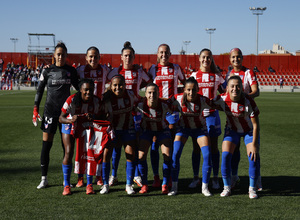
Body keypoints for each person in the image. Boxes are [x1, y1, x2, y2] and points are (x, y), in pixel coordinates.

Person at [33, 42, 79, 189]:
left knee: (66, 146)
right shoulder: (47, 71)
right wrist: (35, 108)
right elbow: (39, 91)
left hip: (65, 114)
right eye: (58, 54)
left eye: (63, 54)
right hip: (50, 113)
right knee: (47, 145)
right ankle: (44, 178)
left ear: (66, 56)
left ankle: (67, 180)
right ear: (54, 55)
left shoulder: (71, 71)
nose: (60, 56)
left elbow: (79, 89)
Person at [107, 42, 151, 188]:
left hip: (135, 112)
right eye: (125, 55)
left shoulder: (139, 72)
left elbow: (149, 82)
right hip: (119, 112)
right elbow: (107, 85)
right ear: (121, 57)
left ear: (134, 57)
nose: (127, 58)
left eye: (130, 56)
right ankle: (114, 175)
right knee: (116, 146)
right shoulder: (114, 72)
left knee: (135, 144)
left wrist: (138, 93)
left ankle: (136, 175)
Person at [59, 78, 110, 195]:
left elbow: (102, 117)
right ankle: (66, 185)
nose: (88, 93)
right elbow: (61, 118)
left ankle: (89, 184)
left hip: (88, 127)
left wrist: (96, 117)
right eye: (86, 90)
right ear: (80, 90)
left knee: (90, 154)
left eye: (91, 90)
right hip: (70, 125)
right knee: (69, 152)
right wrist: (71, 120)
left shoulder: (97, 101)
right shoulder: (71, 99)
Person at [213, 75, 260, 199]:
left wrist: (254, 145)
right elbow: (208, 103)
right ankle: (227, 187)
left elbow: (256, 125)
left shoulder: (248, 101)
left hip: (249, 131)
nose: (235, 88)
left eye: (238, 86)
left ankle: (252, 189)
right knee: (226, 155)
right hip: (232, 130)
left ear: (242, 88)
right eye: (232, 86)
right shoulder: (221, 99)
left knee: (253, 156)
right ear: (227, 88)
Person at [147, 43, 186, 187]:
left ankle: (168, 176)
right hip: (156, 112)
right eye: (161, 53)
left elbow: (186, 84)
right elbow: (145, 85)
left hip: (171, 113)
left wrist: (177, 98)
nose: (164, 55)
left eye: (166, 53)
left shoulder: (176, 68)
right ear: (157, 54)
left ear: (170, 54)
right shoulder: (152, 69)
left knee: (169, 145)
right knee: (154, 144)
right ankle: (156, 177)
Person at [168, 77, 212, 196]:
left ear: (198, 89)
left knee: (207, 154)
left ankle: (205, 187)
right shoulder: (177, 98)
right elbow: (164, 104)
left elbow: (220, 105)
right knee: (175, 153)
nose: (191, 93)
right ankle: (174, 187)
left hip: (200, 130)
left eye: (193, 90)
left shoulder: (203, 100)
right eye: (188, 90)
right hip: (183, 129)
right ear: (184, 90)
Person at [190, 48, 226, 190]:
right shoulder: (193, 76)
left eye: (208, 58)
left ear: (211, 60)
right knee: (196, 148)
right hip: (197, 117)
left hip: (212, 115)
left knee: (214, 148)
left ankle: (215, 178)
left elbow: (225, 93)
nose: (206, 60)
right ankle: (195, 178)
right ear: (199, 59)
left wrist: (218, 102)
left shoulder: (217, 76)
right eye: (203, 57)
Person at [75, 46, 111, 187]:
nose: (93, 59)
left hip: (99, 112)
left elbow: (114, 81)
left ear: (99, 57)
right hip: (82, 112)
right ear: (86, 57)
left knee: (98, 146)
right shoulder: (80, 70)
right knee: (82, 147)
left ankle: (98, 175)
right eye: (90, 56)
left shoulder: (105, 70)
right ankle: (80, 177)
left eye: (95, 56)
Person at [227, 48, 260, 190]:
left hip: (247, 117)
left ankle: (257, 179)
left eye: (238, 57)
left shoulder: (248, 72)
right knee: (234, 150)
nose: (236, 60)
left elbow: (256, 91)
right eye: (233, 57)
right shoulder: (228, 74)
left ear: (242, 58)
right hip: (233, 119)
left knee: (253, 150)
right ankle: (234, 176)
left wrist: (244, 99)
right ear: (230, 59)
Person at [101, 74, 137, 195]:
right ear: (111, 86)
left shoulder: (131, 95)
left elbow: (139, 105)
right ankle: (105, 184)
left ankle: (128, 185)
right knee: (106, 155)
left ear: (125, 85)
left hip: (128, 129)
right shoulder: (106, 99)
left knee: (130, 154)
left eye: (120, 85)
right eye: (115, 85)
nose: (118, 87)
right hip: (113, 131)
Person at [136, 83, 172, 194]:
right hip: (147, 131)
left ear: (159, 93)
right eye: (149, 92)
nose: (152, 95)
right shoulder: (140, 105)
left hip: (162, 131)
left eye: (154, 92)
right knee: (141, 156)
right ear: (145, 94)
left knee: (167, 155)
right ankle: (145, 184)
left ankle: (165, 183)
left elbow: (177, 108)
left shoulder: (165, 104)